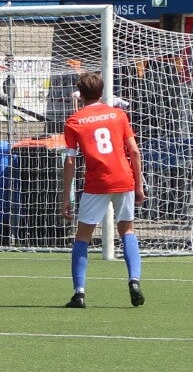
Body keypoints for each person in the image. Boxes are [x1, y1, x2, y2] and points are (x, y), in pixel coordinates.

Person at [60, 71, 146, 308]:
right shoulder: (118, 115)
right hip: (124, 179)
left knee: (82, 237)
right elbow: (134, 151)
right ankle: (134, 280)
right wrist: (139, 185)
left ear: (81, 94)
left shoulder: (74, 120)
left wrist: (66, 197)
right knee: (127, 231)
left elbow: (70, 160)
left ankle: (79, 293)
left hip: (97, 183)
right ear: (102, 91)